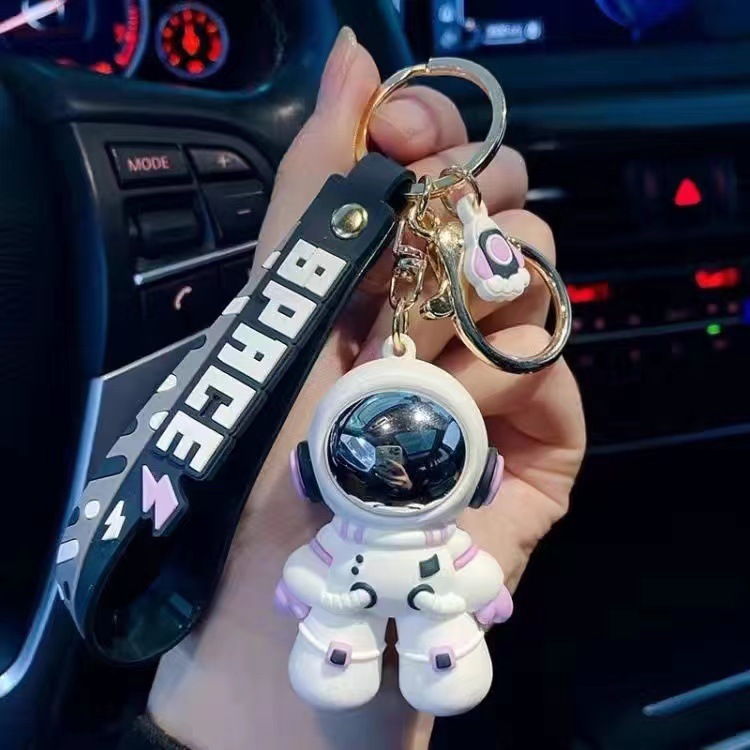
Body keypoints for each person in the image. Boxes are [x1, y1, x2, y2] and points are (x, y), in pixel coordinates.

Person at [134, 27, 586, 750]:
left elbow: (327, 578)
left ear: (479, 476)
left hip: (390, 592)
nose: (399, 468)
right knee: (373, 650)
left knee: (429, 649)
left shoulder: (386, 521)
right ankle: (381, 656)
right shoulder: (350, 522)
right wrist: (251, 646)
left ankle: (413, 656)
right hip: (363, 596)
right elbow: (315, 578)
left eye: (423, 458)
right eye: (381, 456)